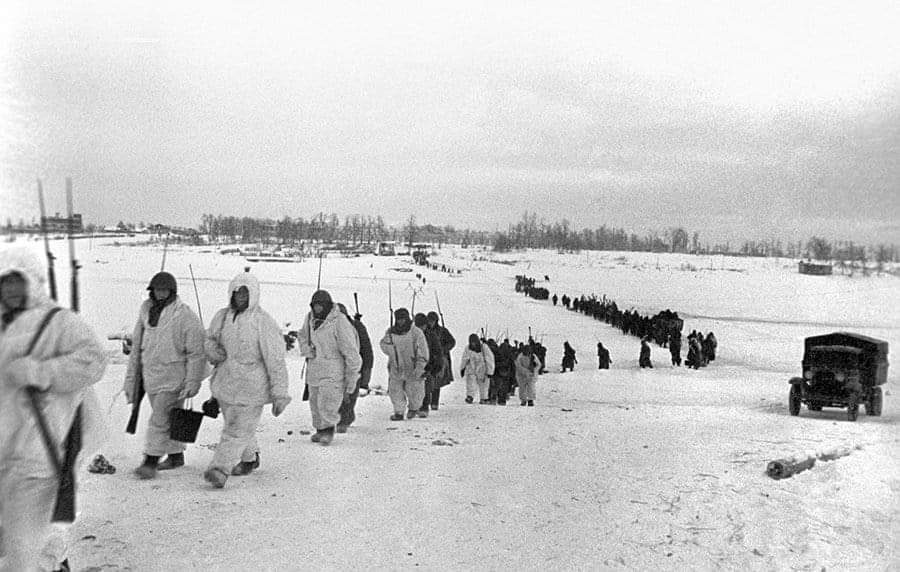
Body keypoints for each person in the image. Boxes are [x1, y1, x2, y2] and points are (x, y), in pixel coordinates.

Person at [0, 246, 107, 571]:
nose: (10, 290)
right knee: (23, 536)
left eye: (16, 282)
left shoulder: (60, 323)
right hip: (6, 453)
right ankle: (55, 560)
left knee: (24, 553)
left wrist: (40, 372)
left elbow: (94, 361)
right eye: (4, 282)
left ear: (32, 281)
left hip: (41, 455)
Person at [202, 271, 291, 488]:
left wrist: (280, 393)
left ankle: (219, 468)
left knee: (236, 430)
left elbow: (275, 359)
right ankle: (250, 459)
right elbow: (210, 340)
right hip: (227, 383)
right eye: (236, 293)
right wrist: (214, 351)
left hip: (253, 387)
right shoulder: (222, 317)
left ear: (253, 294)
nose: (240, 297)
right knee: (238, 426)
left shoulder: (263, 322)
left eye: (245, 293)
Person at [124, 272, 207, 479]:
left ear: (172, 291)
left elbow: (196, 353)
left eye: (164, 290)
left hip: (174, 378)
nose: (160, 293)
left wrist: (192, 381)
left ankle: (150, 461)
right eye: (157, 289)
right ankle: (176, 456)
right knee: (169, 419)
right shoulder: (146, 311)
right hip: (151, 376)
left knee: (159, 420)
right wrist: (133, 378)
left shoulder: (185, 317)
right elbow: (137, 346)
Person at [298, 291, 361, 444]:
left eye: (320, 305)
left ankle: (328, 430)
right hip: (315, 368)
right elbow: (302, 337)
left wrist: (352, 376)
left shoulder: (339, 321)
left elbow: (351, 351)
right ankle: (320, 429)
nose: (318, 308)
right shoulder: (309, 318)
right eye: (315, 305)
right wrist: (307, 350)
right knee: (314, 402)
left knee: (327, 402)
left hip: (334, 370)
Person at [380, 308, 428, 420]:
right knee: (395, 391)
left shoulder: (416, 332)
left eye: (403, 319)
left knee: (415, 391)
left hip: (412, 366)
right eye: (398, 319)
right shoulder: (391, 332)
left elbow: (423, 350)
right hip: (396, 366)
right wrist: (390, 348)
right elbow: (383, 345)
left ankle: (414, 408)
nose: (400, 322)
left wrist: (420, 366)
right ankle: (399, 412)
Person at [336, 303, 373, 433]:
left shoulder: (357, 327)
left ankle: (344, 420)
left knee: (349, 395)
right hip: (336, 368)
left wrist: (366, 371)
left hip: (355, 367)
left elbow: (366, 350)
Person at [413, 313, 443, 418]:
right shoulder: (411, 334)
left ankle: (424, 407)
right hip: (413, 365)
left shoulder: (431, 335)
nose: (421, 328)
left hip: (428, 365)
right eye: (418, 326)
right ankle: (415, 406)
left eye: (423, 325)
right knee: (413, 387)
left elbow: (438, 351)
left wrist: (437, 365)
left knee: (426, 387)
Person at [425, 311, 455, 411]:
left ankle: (434, 403)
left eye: (432, 321)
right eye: (429, 320)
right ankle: (426, 402)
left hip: (440, 358)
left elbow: (452, 342)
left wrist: (443, 349)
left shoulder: (442, 331)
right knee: (427, 380)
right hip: (428, 358)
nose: (430, 323)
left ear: (436, 321)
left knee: (437, 380)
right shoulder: (424, 331)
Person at [459, 333, 495, 404]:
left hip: (483, 369)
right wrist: (462, 368)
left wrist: (490, 371)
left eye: (474, 342)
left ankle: (484, 398)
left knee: (484, 384)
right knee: (470, 383)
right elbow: (464, 359)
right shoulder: (468, 348)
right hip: (471, 368)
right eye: (471, 342)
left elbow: (490, 359)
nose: (473, 344)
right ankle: (470, 396)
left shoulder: (484, 347)